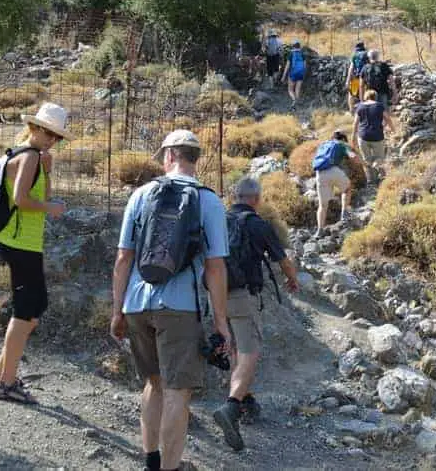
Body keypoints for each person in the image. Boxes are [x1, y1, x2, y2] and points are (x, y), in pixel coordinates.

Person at [111, 130, 232, 471]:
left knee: (154, 383)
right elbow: (216, 266)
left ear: (168, 157)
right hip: (180, 306)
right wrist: (221, 322)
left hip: (137, 302)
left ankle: (151, 460)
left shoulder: (141, 195)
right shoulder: (207, 200)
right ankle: (170, 467)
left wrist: (117, 309)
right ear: (195, 158)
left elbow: (123, 258)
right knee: (179, 391)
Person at [0, 102, 70, 404]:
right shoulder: (28, 156)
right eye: (48, 132)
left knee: (36, 306)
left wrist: (48, 172)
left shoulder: (32, 157)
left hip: (25, 242)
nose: (51, 139)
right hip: (19, 241)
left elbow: (40, 194)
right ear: (34, 127)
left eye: (56, 136)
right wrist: (52, 208)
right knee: (25, 311)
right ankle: (7, 383)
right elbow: (22, 200)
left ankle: (1, 371)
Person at [211, 177, 300, 451]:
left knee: (236, 346)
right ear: (256, 199)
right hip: (242, 295)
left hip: (216, 295)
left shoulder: (218, 221)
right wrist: (292, 279)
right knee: (250, 351)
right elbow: (281, 258)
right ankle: (232, 405)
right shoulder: (257, 224)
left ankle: (247, 400)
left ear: (233, 196)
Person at [313, 131, 361, 233]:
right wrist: (363, 163)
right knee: (347, 188)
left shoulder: (324, 144)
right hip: (333, 170)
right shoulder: (342, 144)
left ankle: (319, 230)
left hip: (319, 174)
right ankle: (344, 213)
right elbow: (352, 156)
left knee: (322, 205)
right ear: (343, 139)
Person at [352, 89, 395, 184]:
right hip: (377, 136)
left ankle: (371, 181)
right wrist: (393, 130)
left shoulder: (360, 106)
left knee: (366, 159)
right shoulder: (379, 106)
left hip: (363, 136)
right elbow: (387, 118)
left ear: (366, 97)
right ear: (375, 97)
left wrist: (353, 138)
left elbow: (355, 123)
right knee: (380, 157)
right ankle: (380, 175)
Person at [345, 41, 370, 113]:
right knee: (365, 94)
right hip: (365, 78)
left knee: (352, 94)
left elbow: (351, 68)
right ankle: (365, 110)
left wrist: (348, 80)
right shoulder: (366, 54)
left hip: (355, 78)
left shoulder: (354, 55)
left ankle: (351, 110)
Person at [281, 41, 307, 110]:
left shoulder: (291, 54)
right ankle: (296, 104)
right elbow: (304, 66)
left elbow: (287, 66)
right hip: (301, 73)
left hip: (293, 73)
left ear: (293, 47)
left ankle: (294, 100)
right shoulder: (302, 54)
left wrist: (283, 76)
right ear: (299, 47)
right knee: (297, 89)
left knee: (290, 90)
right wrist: (303, 74)